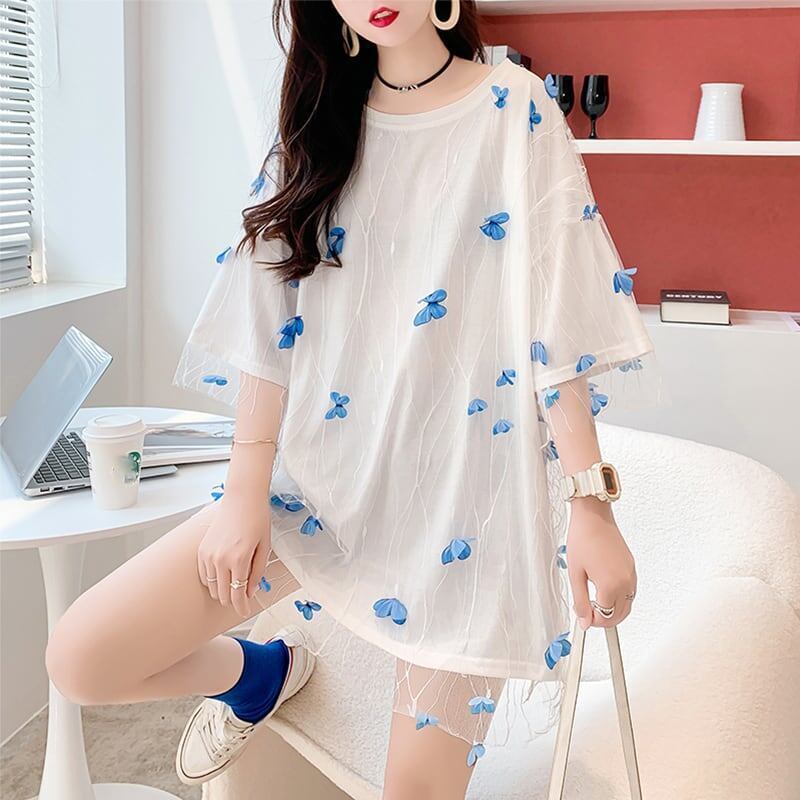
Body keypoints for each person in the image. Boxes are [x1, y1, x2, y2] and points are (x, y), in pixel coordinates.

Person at [45, 1, 658, 798]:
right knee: (82, 659)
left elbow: (558, 316)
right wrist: (244, 495)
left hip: (466, 518)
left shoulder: (514, 107)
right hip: (322, 489)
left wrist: (590, 505)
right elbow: (270, 316)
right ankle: (259, 675)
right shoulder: (317, 118)